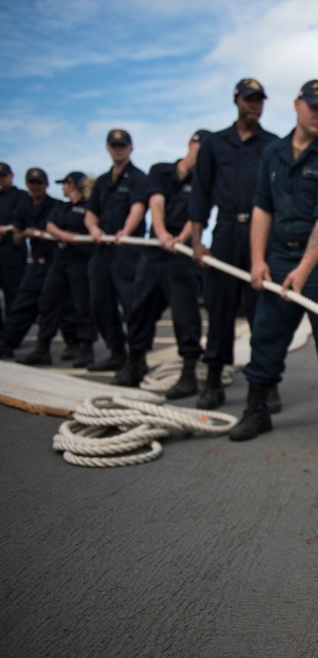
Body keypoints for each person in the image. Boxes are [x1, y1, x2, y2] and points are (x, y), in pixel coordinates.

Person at [228, 79, 318, 450]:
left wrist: (303, 271)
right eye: (315, 107)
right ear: (297, 105)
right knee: (266, 334)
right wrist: (257, 260)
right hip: (279, 255)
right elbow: (262, 206)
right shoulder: (272, 154)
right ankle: (257, 410)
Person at [188, 78, 279, 411]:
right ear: (236, 100)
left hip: (261, 236)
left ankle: (266, 384)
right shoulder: (214, 144)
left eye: (259, 100)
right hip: (225, 232)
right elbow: (200, 193)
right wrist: (198, 242)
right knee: (220, 309)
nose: (254, 105)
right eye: (249, 99)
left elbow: (280, 198)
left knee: (263, 315)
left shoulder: (272, 145)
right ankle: (213, 381)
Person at [112, 130, 209, 396]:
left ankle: (188, 371)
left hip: (182, 253)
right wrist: (163, 233)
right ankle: (136, 362)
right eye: (202, 146)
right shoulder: (160, 171)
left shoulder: (204, 181)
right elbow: (156, 201)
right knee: (140, 308)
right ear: (191, 143)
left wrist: (181, 238)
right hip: (155, 251)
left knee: (185, 314)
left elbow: (197, 214)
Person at [84, 129, 148, 372]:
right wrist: (93, 229)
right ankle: (116, 351)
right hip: (102, 250)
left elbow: (138, 207)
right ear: (108, 148)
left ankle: (136, 355)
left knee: (131, 303)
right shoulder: (101, 182)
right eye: (114, 145)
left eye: (122, 145)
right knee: (100, 302)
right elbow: (91, 212)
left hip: (127, 250)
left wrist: (126, 231)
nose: (118, 149)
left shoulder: (137, 177)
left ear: (130, 148)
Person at [20, 172, 96, 367]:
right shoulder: (62, 207)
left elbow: (92, 226)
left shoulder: (89, 206)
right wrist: (64, 235)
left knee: (82, 305)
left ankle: (85, 347)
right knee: (48, 302)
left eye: (65, 184)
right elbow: (50, 225)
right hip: (60, 258)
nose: (62, 188)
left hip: (80, 260)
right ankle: (42, 348)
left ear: (73, 185)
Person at [3, 168, 68, 358]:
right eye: (32, 183)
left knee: (53, 305)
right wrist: (23, 234)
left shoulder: (56, 205)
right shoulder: (24, 208)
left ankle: (48, 347)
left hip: (55, 260)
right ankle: (8, 341)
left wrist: (43, 233)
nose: (35, 186)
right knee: (22, 303)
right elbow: (17, 237)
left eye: (39, 183)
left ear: (46, 184)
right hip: (36, 261)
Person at [0, 162, 31, 358]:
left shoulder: (21, 197)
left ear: (11, 176)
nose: (2, 179)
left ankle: (11, 337)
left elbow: (24, 220)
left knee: (15, 295)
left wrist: (6, 229)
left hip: (13, 250)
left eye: (4, 176)